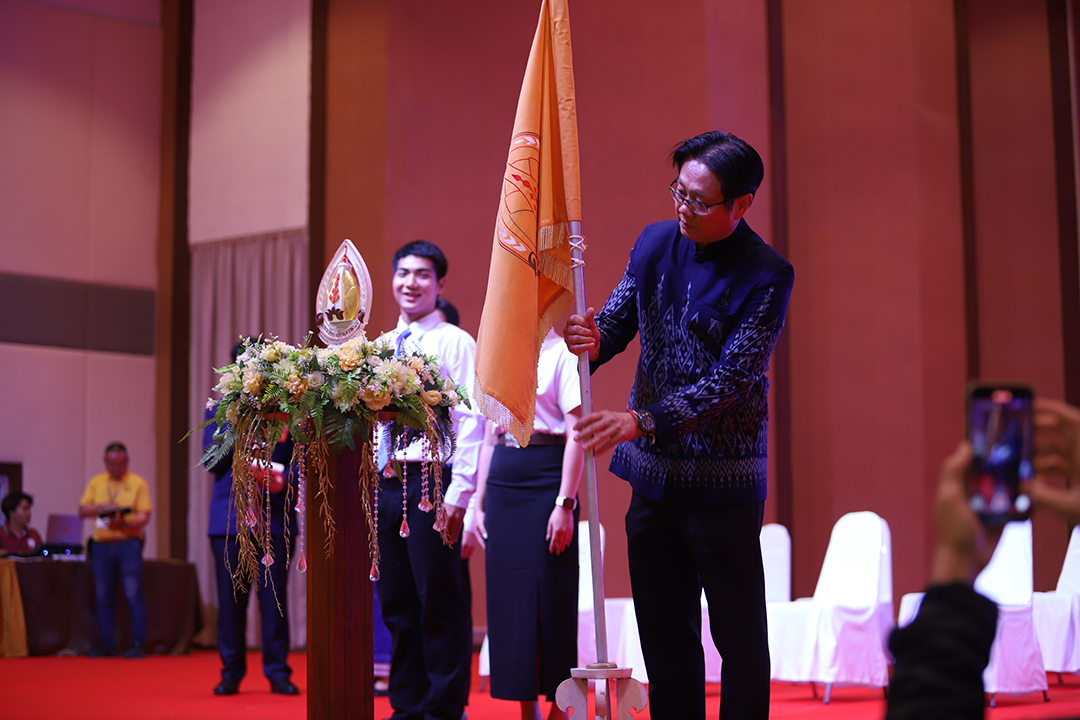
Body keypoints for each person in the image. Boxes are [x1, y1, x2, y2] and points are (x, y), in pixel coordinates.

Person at [565, 131, 794, 720]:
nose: (683, 207)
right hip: (653, 480)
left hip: (722, 484)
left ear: (741, 204)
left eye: (699, 200)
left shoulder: (767, 273)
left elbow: (731, 380)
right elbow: (616, 321)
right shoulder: (654, 242)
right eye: (679, 192)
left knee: (739, 641)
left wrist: (641, 420)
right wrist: (591, 339)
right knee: (665, 638)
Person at [377, 240, 482, 720]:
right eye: (403, 273)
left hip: (433, 481)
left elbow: (472, 420)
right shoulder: (380, 347)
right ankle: (407, 708)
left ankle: (443, 710)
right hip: (388, 483)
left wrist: (460, 494)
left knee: (437, 602)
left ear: (440, 284)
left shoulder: (456, 342)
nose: (410, 283)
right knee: (397, 604)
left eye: (422, 275)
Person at [472, 327, 584, 720]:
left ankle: (561, 708)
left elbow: (576, 434)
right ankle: (527, 709)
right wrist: (478, 503)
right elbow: (489, 439)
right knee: (511, 598)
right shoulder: (502, 355)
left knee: (551, 595)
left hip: (546, 474)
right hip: (503, 480)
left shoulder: (563, 355)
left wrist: (565, 503)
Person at [204, 340, 300, 697]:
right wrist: (238, 426)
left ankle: (278, 672)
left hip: (274, 521)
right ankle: (231, 672)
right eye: (244, 367)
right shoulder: (221, 410)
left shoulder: (288, 410)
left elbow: (302, 464)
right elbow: (211, 462)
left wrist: (284, 481)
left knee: (275, 603)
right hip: (229, 523)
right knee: (231, 603)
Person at [78, 442, 152, 658]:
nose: (116, 468)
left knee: (133, 594)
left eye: (120, 464)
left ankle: (137, 644)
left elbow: (144, 515)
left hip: (128, 543)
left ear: (127, 461)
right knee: (103, 596)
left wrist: (126, 523)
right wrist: (101, 508)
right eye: (111, 464)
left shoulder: (138, 483)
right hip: (101, 546)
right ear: (105, 462)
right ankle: (107, 644)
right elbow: (82, 509)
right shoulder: (96, 482)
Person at [0, 491, 43, 556]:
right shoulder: (1, 534)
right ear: (11, 512)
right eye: (24, 509)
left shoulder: (33, 534)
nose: (29, 513)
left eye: (29, 509)